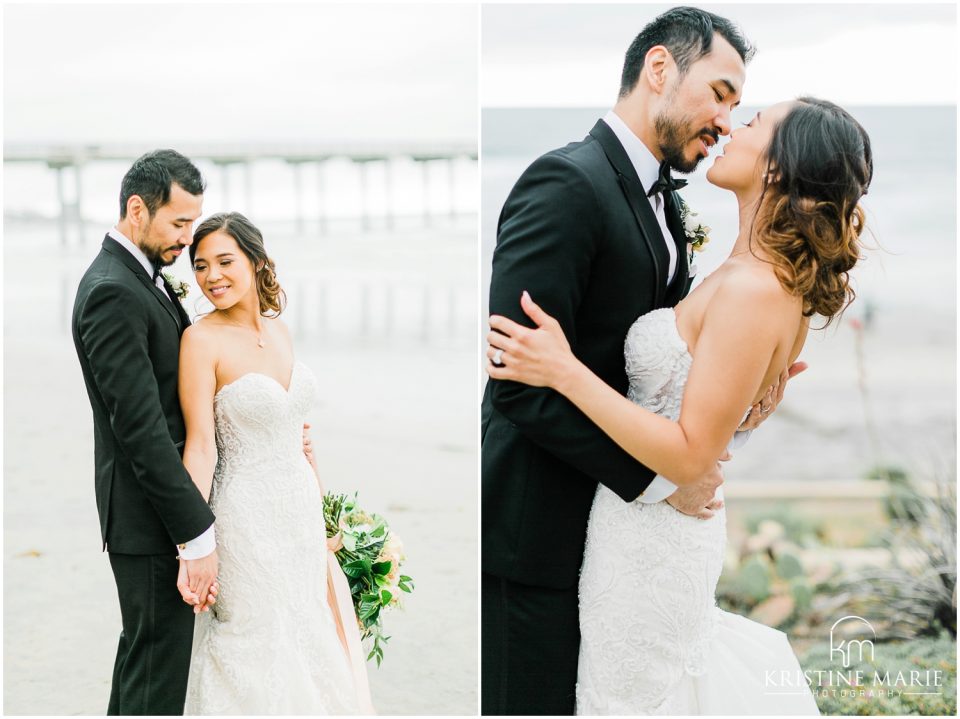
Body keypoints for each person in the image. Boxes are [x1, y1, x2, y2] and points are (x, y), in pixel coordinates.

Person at [486, 96, 872, 714]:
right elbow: (707, 420)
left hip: (654, 542)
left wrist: (565, 371)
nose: (731, 126)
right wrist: (741, 421)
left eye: (752, 123)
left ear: (778, 167)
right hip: (636, 527)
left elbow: (692, 456)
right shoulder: (753, 271)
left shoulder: (753, 289)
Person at [179, 212, 373, 714]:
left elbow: (292, 432)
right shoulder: (200, 340)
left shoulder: (281, 331)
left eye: (225, 261)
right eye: (200, 266)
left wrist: (325, 509)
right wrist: (190, 542)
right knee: (254, 639)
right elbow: (201, 445)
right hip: (245, 519)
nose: (211, 276)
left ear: (257, 262)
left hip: (300, 514)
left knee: (310, 633)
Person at [72, 150, 221, 715]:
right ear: (138, 208)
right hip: (149, 518)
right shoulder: (114, 291)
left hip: (153, 514)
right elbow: (140, 430)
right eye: (179, 222)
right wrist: (195, 533)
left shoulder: (140, 278)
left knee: (145, 666)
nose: (188, 238)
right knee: (157, 680)